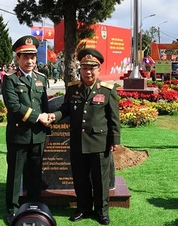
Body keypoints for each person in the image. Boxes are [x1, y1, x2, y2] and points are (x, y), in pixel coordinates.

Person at [53, 48, 120, 225]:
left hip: (99, 142)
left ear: (98, 69)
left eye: (92, 68)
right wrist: (53, 117)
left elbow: (114, 117)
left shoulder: (107, 90)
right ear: (80, 69)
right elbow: (65, 110)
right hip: (78, 142)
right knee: (80, 178)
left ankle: (102, 211)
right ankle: (83, 208)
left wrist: (115, 140)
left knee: (100, 180)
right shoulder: (73, 88)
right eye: (84, 68)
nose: (88, 72)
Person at [2, 35, 51, 224]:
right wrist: (38, 117)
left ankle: (34, 205)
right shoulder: (10, 79)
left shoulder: (41, 78)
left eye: (32, 56)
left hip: (37, 135)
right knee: (15, 174)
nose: (30, 61)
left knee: (35, 173)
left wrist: (47, 125)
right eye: (25, 57)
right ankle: (12, 209)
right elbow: (14, 107)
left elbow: (44, 105)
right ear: (18, 58)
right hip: (18, 135)